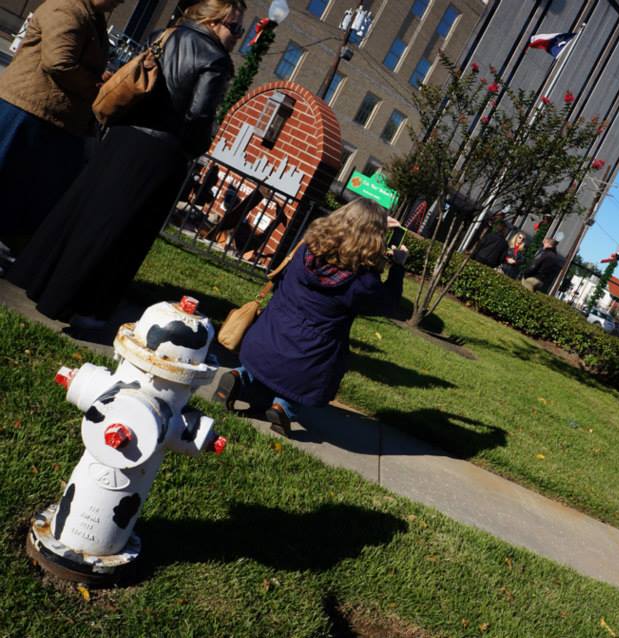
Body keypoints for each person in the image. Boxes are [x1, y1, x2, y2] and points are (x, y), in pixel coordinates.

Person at [7, 0, 245, 330]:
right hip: (159, 152)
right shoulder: (215, 60)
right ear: (211, 21)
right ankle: (86, 308)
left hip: (122, 137)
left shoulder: (164, 35)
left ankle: (43, 283)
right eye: (235, 28)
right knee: (124, 233)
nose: (238, 36)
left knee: (85, 214)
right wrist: (198, 145)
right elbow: (198, 116)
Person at [214, 199, 409, 436]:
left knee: (269, 369)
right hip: (309, 362)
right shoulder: (362, 282)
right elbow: (388, 305)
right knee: (305, 376)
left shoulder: (306, 249)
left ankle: (241, 377)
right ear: (374, 238)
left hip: (263, 341)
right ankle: (283, 407)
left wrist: (368, 222)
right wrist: (397, 266)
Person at [0, 0, 118, 244]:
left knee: (23, 196)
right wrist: (100, 88)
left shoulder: (91, 16)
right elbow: (59, 63)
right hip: (28, 111)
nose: (121, 2)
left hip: (50, 118)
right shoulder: (67, 8)